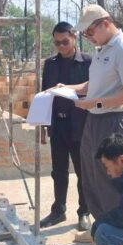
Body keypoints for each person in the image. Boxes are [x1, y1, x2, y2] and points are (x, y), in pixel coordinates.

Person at [59, 4, 123, 242]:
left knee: (110, 177)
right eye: (85, 33)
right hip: (94, 120)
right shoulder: (102, 50)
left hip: (111, 121)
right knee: (91, 175)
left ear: (105, 23)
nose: (88, 37)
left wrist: (95, 103)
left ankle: (116, 233)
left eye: (90, 31)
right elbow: (92, 85)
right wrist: (67, 88)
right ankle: (101, 228)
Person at [40, 22, 93, 231]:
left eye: (65, 42)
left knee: (83, 171)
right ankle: (58, 210)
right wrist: (43, 126)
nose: (61, 46)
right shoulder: (50, 64)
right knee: (58, 170)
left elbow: (93, 91)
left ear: (74, 38)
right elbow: (45, 95)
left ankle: (84, 212)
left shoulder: (88, 63)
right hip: (58, 125)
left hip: (80, 125)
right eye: (57, 43)